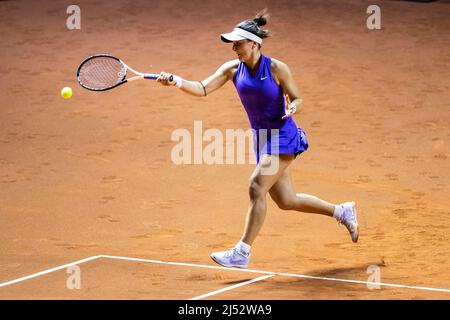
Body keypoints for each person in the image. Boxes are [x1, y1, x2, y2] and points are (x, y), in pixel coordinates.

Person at [157, 10, 359, 269]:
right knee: (287, 200)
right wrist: (176, 81)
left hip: (283, 136)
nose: (234, 48)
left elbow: (298, 97)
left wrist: (294, 107)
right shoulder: (231, 70)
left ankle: (242, 252)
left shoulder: (276, 68)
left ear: (254, 43)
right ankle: (342, 211)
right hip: (262, 139)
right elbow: (202, 88)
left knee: (256, 187)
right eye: (233, 44)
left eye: (238, 43)